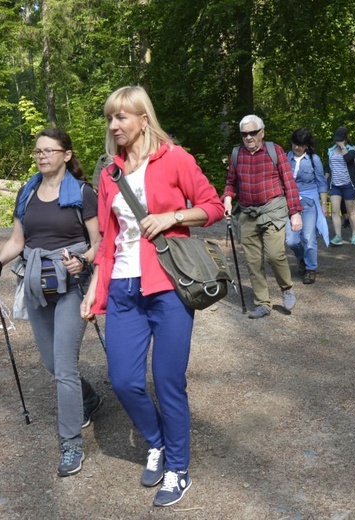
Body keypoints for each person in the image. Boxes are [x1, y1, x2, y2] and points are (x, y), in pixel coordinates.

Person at [80, 86, 224, 507]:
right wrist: (94, 287)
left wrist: (172, 216)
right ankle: (157, 441)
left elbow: (212, 205)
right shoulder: (110, 173)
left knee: (167, 380)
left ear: (144, 118)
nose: (113, 125)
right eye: (110, 118)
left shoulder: (175, 158)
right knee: (124, 380)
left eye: (121, 117)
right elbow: (108, 239)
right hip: (123, 288)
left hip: (168, 287)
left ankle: (178, 469)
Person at [0, 128, 102, 478]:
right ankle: (89, 397)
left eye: (49, 150)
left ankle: (70, 444)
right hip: (35, 283)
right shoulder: (27, 191)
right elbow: (17, 240)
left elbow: (99, 242)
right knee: (51, 363)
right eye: (37, 151)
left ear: (66, 155)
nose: (42, 156)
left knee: (63, 367)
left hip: (72, 285)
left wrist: (83, 261)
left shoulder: (82, 193)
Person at [222, 114, 303, 319]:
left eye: (253, 133)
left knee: (275, 255)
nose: (248, 137)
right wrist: (228, 198)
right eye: (244, 134)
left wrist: (295, 213)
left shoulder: (274, 151)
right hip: (248, 212)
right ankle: (263, 303)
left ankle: (286, 287)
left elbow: (289, 183)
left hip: (273, 209)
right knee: (253, 261)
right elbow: (231, 182)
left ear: (262, 133)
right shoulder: (237, 154)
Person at [285, 129, 329, 284]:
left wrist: (324, 204)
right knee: (291, 240)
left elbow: (321, 183)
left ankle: (311, 268)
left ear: (307, 146)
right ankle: (301, 258)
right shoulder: (285, 157)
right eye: (295, 144)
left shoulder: (314, 160)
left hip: (309, 201)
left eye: (301, 145)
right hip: (290, 202)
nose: (297, 148)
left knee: (308, 237)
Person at [326, 127, 355, 246]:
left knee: (351, 211)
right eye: (336, 140)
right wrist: (326, 180)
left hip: (348, 185)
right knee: (335, 210)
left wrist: (343, 147)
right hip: (335, 185)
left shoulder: (351, 150)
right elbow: (328, 167)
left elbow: (348, 159)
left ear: (346, 139)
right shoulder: (330, 150)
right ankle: (338, 236)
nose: (338, 142)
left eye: (340, 140)